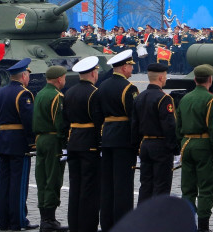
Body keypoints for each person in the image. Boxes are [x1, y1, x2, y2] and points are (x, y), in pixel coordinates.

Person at [177, 64, 213, 232]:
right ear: (210, 80)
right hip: (203, 146)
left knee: (187, 188)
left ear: (195, 79)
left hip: (186, 144)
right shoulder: (211, 99)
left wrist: (179, 147)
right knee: (205, 188)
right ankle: (203, 227)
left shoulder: (185, 98)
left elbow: (178, 125)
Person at [98, 49, 139, 232]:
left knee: (108, 185)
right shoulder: (129, 89)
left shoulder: (103, 86)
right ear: (123, 68)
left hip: (106, 137)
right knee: (123, 185)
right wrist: (136, 143)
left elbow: (98, 115)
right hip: (123, 140)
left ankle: (106, 222)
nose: (131, 69)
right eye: (130, 66)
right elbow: (134, 118)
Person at [0, 58, 35, 231]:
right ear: (24, 76)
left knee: (4, 183)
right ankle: (18, 221)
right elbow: (29, 122)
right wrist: (32, 143)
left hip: (2, 141)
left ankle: (4, 221)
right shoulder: (24, 94)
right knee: (19, 184)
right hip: (18, 143)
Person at [64, 56, 103, 232]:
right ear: (94, 73)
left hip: (73, 141)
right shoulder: (94, 93)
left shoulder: (69, 91)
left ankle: (74, 224)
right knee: (89, 188)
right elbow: (98, 120)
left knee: (75, 186)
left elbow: (65, 119)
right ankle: (87, 226)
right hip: (89, 143)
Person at [131, 62, 178, 204]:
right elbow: (169, 126)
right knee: (161, 186)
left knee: (145, 185)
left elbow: (134, 124)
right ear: (161, 78)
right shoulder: (164, 98)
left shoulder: (139, 97)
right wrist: (175, 148)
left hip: (144, 144)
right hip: (161, 145)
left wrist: (136, 147)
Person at [33, 66, 67, 232]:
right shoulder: (56, 96)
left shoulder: (39, 94)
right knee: (53, 178)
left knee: (41, 177)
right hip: (53, 140)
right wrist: (65, 142)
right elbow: (59, 123)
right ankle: (49, 219)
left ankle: (43, 216)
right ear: (59, 79)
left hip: (40, 139)